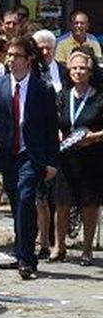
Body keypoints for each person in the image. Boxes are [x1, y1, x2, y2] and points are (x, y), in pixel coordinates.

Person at [0, 35, 60, 278]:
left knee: (27, 198)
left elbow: (50, 126)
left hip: (31, 153)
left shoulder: (42, 88)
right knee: (17, 204)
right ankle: (21, 252)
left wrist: (52, 162)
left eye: (17, 56)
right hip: (7, 153)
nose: (11, 60)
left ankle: (27, 258)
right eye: (10, 55)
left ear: (29, 60)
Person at [53, 49, 103, 264]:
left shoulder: (99, 98)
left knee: (89, 204)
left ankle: (87, 249)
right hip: (66, 157)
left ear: (90, 72)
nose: (78, 72)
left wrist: (95, 136)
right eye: (74, 68)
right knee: (62, 203)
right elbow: (56, 122)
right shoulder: (63, 96)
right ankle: (59, 246)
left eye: (82, 68)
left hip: (91, 157)